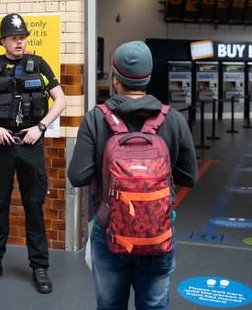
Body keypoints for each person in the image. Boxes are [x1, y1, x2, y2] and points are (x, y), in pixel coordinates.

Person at [67, 41, 198, 310]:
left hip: (109, 232)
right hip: (158, 232)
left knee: (110, 305)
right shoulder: (172, 119)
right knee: (154, 305)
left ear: (115, 80)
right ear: (149, 78)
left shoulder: (95, 118)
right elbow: (189, 176)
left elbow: (77, 176)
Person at [0, 13, 66, 294]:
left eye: (22, 37)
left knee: (34, 206)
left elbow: (61, 98)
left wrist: (42, 126)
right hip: (1, 146)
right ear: (3, 41)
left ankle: (40, 266)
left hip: (31, 145)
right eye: (14, 37)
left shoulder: (39, 64)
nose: (19, 41)